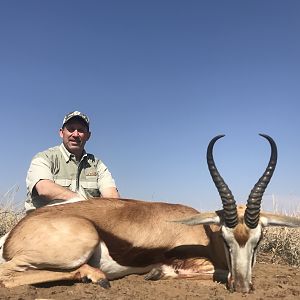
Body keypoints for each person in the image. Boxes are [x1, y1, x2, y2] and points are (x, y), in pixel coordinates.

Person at [25, 111, 120, 212]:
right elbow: (44, 188)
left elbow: (112, 197)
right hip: (45, 222)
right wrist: (83, 204)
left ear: (88, 135)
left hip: (84, 223)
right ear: (62, 133)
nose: (75, 134)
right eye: (71, 129)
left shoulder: (97, 165)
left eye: (81, 130)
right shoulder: (45, 157)